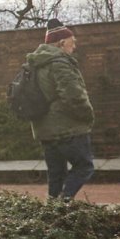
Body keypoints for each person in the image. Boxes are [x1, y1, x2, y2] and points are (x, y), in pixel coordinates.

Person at [25, 26, 96, 201]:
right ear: (62, 42)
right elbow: (74, 96)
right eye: (73, 43)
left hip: (44, 129)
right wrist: (87, 116)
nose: (74, 47)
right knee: (84, 166)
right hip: (67, 127)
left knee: (56, 173)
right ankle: (64, 202)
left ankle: (52, 208)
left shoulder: (35, 63)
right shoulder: (59, 63)